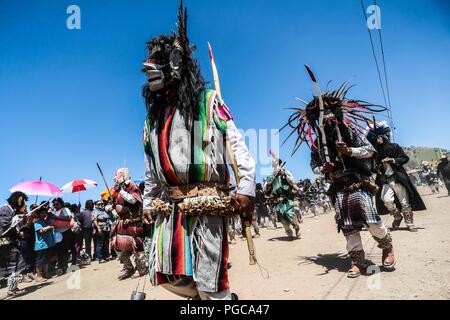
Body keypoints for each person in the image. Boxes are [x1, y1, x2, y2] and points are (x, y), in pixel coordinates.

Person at [141, 1, 256, 301]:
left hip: (207, 205)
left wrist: (247, 186)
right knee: (168, 276)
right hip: (170, 208)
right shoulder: (153, 120)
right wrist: (147, 203)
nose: (148, 70)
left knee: (210, 282)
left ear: (177, 65)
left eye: (159, 63)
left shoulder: (209, 101)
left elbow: (236, 143)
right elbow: (151, 169)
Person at [284, 68, 396, 278]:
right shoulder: (318, 144)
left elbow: (370, 151)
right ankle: (358, 261)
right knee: (348, 226)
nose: (325, 118)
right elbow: (314, 166)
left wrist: (350, 151)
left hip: (357, 181)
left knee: (371, 220)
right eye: (320, 115)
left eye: (328, 113)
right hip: (338, 187)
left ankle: (387, 247)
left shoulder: (350, 133)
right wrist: (322, 169)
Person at [366, 122, 427, 232]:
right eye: (375, 138)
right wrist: (376, 167)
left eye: (379, 136)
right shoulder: (374, 153)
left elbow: (405, 158)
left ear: (384, 136)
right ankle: (397, 217)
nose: (378, 139)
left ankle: (410, 223)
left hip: (398, 178)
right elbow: (371, 167)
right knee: (386, 200)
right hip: (384, 180)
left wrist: (393, 160)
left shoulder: (395, 147)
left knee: (404, 201)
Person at [110, 168, 146, 279]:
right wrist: (113, 204)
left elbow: (134, 200)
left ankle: (142, 269)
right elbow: (117, 204)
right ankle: (128, 268)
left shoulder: (132, 185)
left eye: (118, 177)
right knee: (118, 247)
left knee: (137, 248)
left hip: (133, 222)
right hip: (123, 223)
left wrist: (120, 191)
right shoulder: (119, 189)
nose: (116, 180)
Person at [265, 156, 301, 240]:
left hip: (287, 197)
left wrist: (284, 174)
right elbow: (267, 188)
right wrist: (268, 185)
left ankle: (296, 226)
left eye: (276, 164)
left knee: (290, 214)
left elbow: (292, 181)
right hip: (277, 199)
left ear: (280, 164)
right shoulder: (270, 176)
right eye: (273, 164)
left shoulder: (285, 172)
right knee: (282, 217)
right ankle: (289, 233)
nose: (274, 166)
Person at [0, 192, 28, 296]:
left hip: (8, 242)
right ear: (19, 201)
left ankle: (13, 288)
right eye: (23, 201)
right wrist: (15, 219)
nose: (24, 204)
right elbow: (3, 227)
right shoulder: (5, 210)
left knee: (14, 265)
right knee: (17, 263)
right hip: (5, 243)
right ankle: (12, 289)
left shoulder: (11, 211)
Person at [51, 198, 73, 274]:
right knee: (59, 251)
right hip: (57, 233)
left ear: (61, 204)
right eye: (54, 204)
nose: (55, 206)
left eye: (57, 204)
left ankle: (65, 266)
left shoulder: (65, 209)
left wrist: (56, 217)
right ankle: (61, 266)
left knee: (64, 250)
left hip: (65, 232)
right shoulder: (53, 212)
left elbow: (68, 218)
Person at [34, 207, 56, 282]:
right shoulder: (37, 223)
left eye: (44, 213)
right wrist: (49, 227)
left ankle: (46, 274)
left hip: (47, 244)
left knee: (46, 260)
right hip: (41, 245)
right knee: (40, 262)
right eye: (42, 213)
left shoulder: (45, 221)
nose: (44, 214)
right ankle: (39, 276)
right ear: (38, 214)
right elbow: (41, 231)